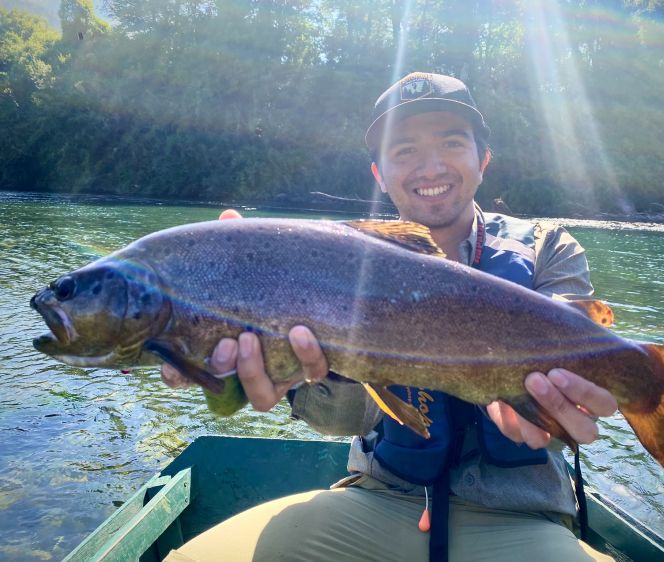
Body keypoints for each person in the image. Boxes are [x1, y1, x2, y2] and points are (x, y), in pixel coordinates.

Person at [162, 72, 618, 562]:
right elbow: (346, 420)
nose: (430, 165)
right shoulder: (331, 259)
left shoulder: (550, 249)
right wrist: (306, 370)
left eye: (450, 142)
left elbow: (573, 390)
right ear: (379, 173)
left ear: (482, 160)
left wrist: (563, 410)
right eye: (404, 151)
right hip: (378, 500)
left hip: (520, 516)